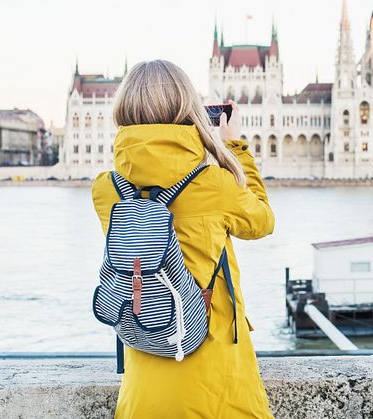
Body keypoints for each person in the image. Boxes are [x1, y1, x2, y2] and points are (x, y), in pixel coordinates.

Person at [91, 59, 275, 418]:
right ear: (188, 109)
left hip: (143, 382)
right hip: (217, 385)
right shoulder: (214, 184)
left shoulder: (106, 191)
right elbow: (262, 221)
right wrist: (234, 148)